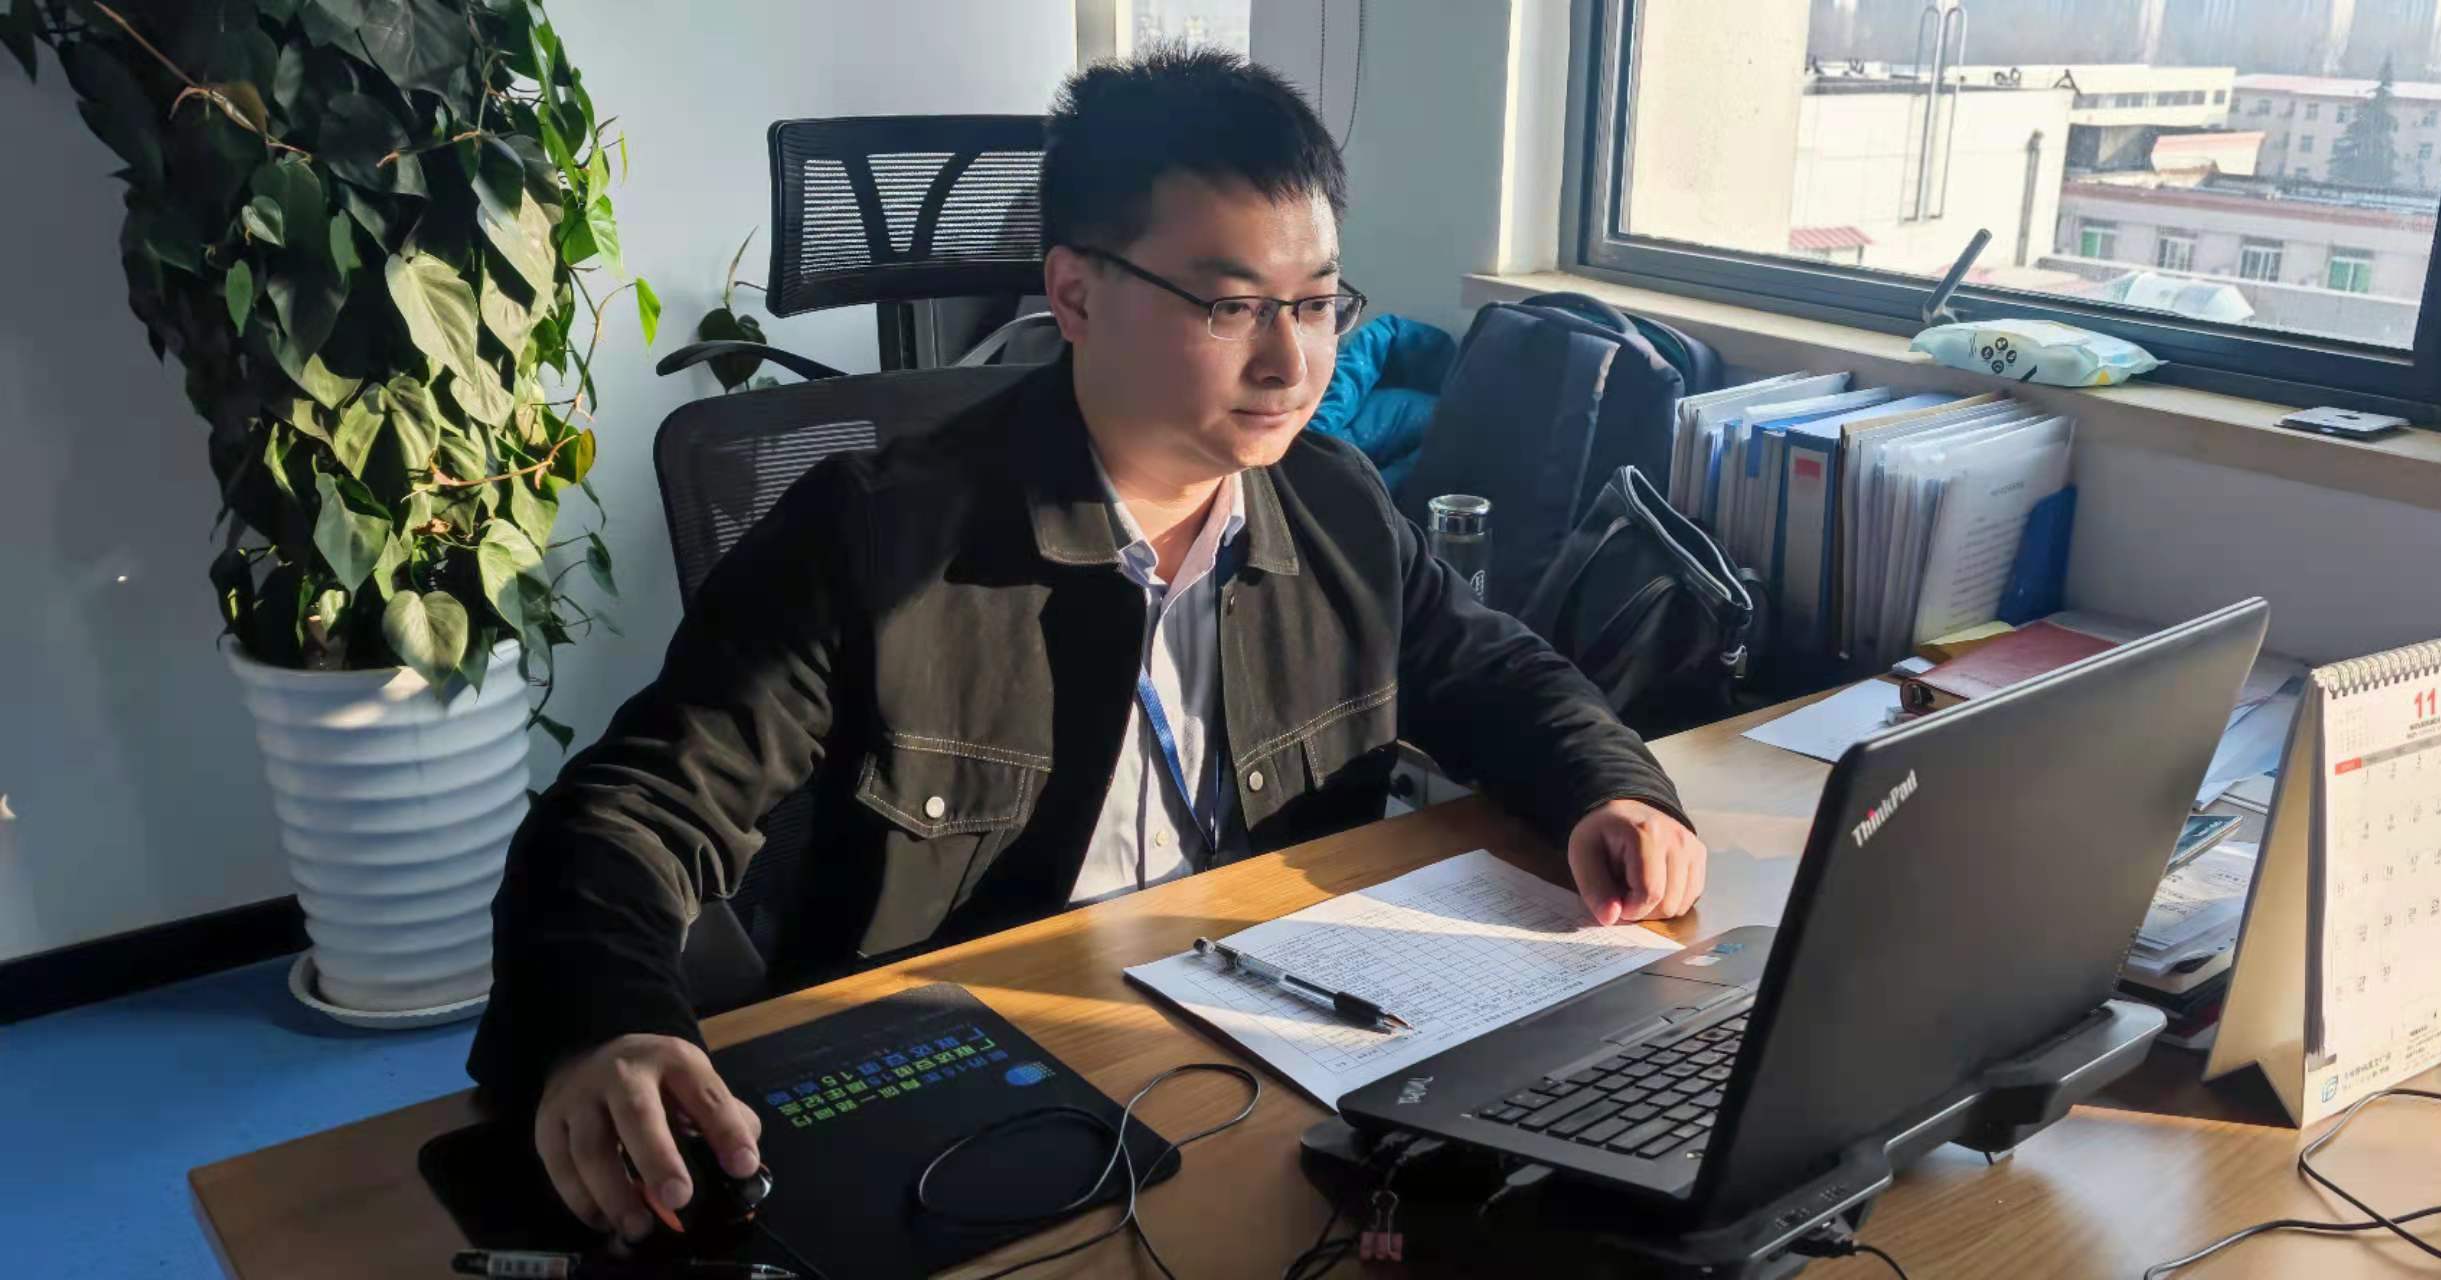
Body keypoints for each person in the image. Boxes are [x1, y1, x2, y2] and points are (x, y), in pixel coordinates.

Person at [468, 49, 1706, 1243]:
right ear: (1074, 295)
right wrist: (609, 1019)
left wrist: (1615, 788)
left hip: (1266, 1050)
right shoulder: (874, 540)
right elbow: (634, 810)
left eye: (1316, 302)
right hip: (981, 1079)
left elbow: (1495, 671)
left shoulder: (1335, 502)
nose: (1292, 361)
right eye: (1232, 305)